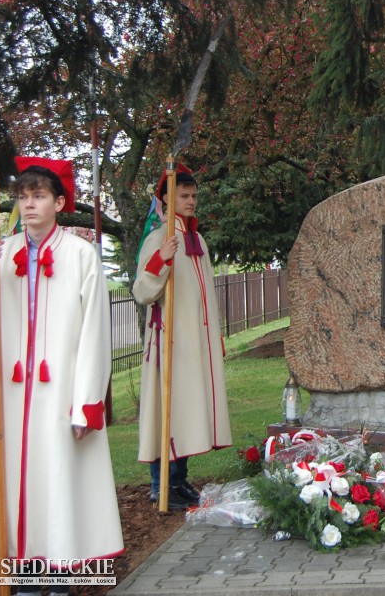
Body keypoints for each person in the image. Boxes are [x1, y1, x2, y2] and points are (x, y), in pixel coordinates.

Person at [0, 158, 124, 592]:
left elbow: (94, 332)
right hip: (11, 394)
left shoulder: (80, 255)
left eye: (38, 196)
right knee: (17, 482)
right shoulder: (4, 251)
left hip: (59, 391)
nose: (29, 204)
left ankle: (57, 575)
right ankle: (25, 572)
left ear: (58, 202)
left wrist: (87, 400)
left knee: (55, 479)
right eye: (23, 196)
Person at [134, 164, 232, 510]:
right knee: (168, 411)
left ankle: (179, 480)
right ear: (166, 198)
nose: (191, 202)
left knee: (189, 410)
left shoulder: (198, 240)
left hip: (195, 343)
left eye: (194, 196)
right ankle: (161, 484)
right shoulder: (158, 238)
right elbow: (142, 291)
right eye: (184, 196)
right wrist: (161, 259)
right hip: (170, 343)